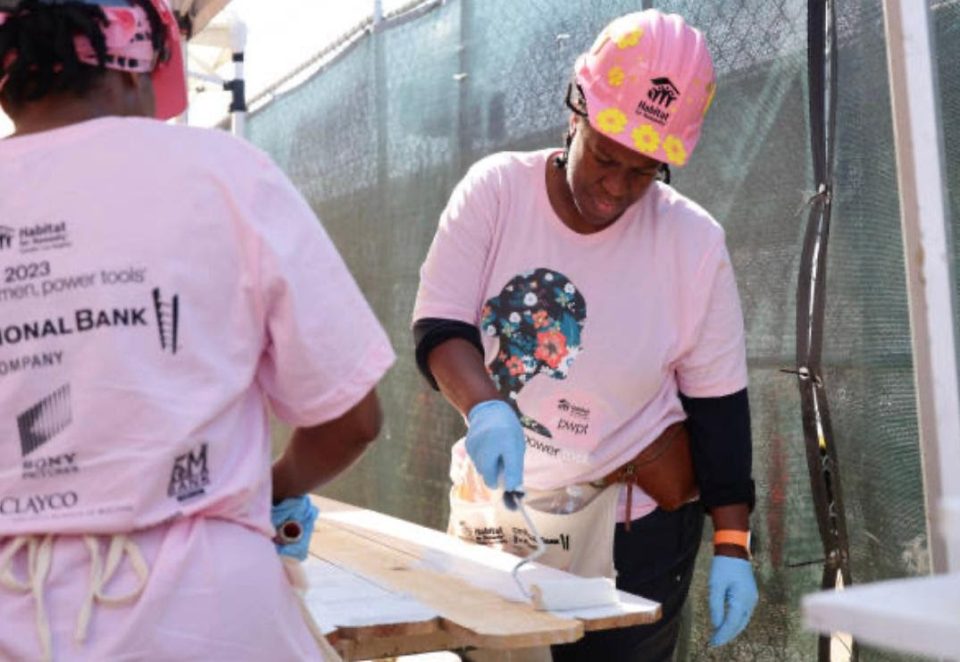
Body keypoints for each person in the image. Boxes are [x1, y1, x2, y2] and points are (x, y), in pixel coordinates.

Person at [0, 1, 394, 659]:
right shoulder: (226, 173)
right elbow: (351, 420)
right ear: (135, 74)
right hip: (208, 619)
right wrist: (277, 487)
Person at [413, 9, 757, 661]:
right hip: (500, 515)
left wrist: (734, 547)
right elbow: (441, 326)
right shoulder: (497, 194)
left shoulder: (691, 244)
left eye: (643, 171)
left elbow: (719, 410)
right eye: (604, 157)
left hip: (630, 528)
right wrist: (485, 407)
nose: (615, 187)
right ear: (577, 111)